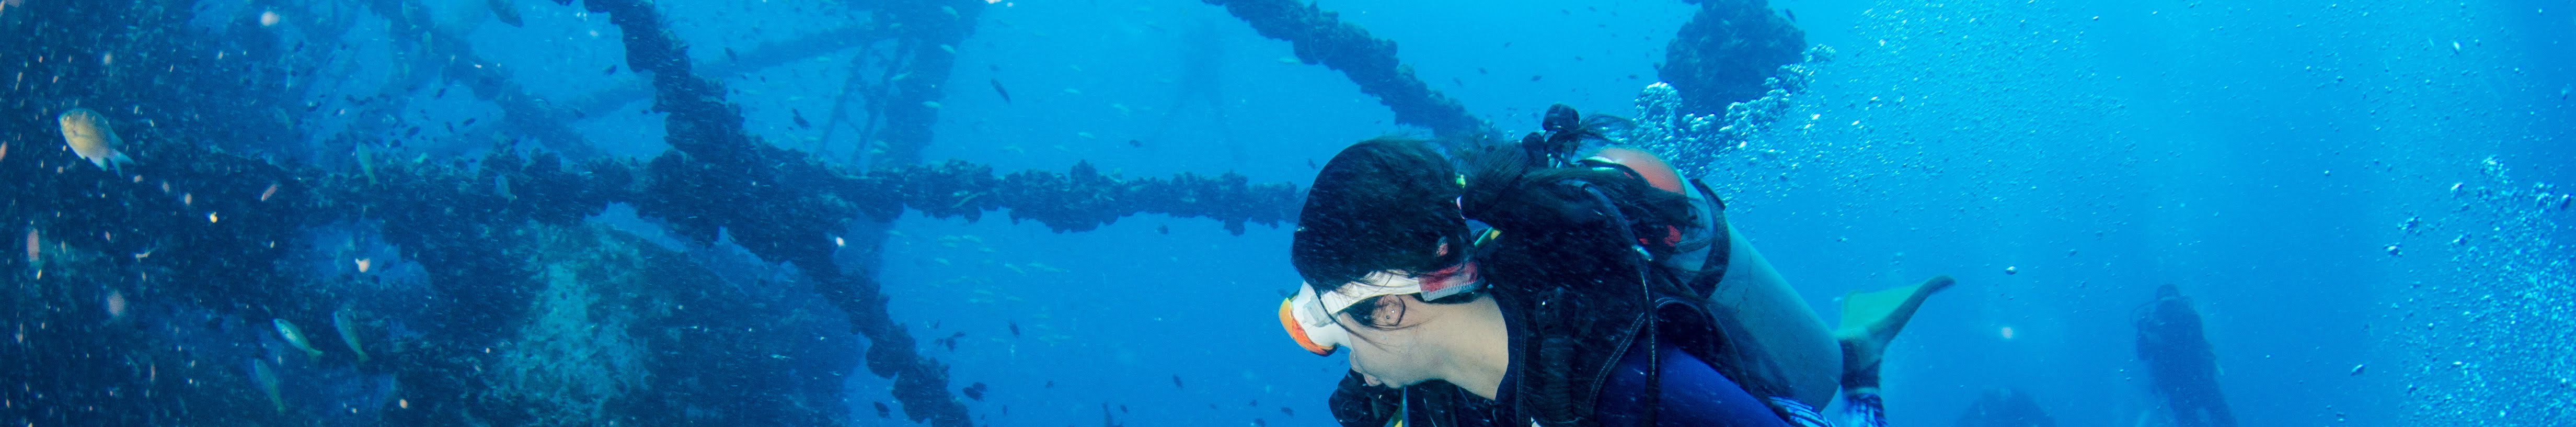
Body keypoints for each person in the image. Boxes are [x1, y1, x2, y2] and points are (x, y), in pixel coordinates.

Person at [1281, 107, 1950, 427]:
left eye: (1324, 320)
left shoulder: (1631, 387)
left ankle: (1858, 376)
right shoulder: (1424, 395)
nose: (1330, 348)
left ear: (1392, 306)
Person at [2134, 284, 2236, 427]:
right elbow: (2143, 355)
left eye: (2172, 303)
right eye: (2165, 304)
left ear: (2179, 303)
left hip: (2201, 380)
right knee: (2194, 420)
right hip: (2179, 387)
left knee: (2223, 419)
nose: (2169, 308)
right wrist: (2142, 331)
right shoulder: (2152, 327)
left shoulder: (2189, 318)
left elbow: (2194, 338)